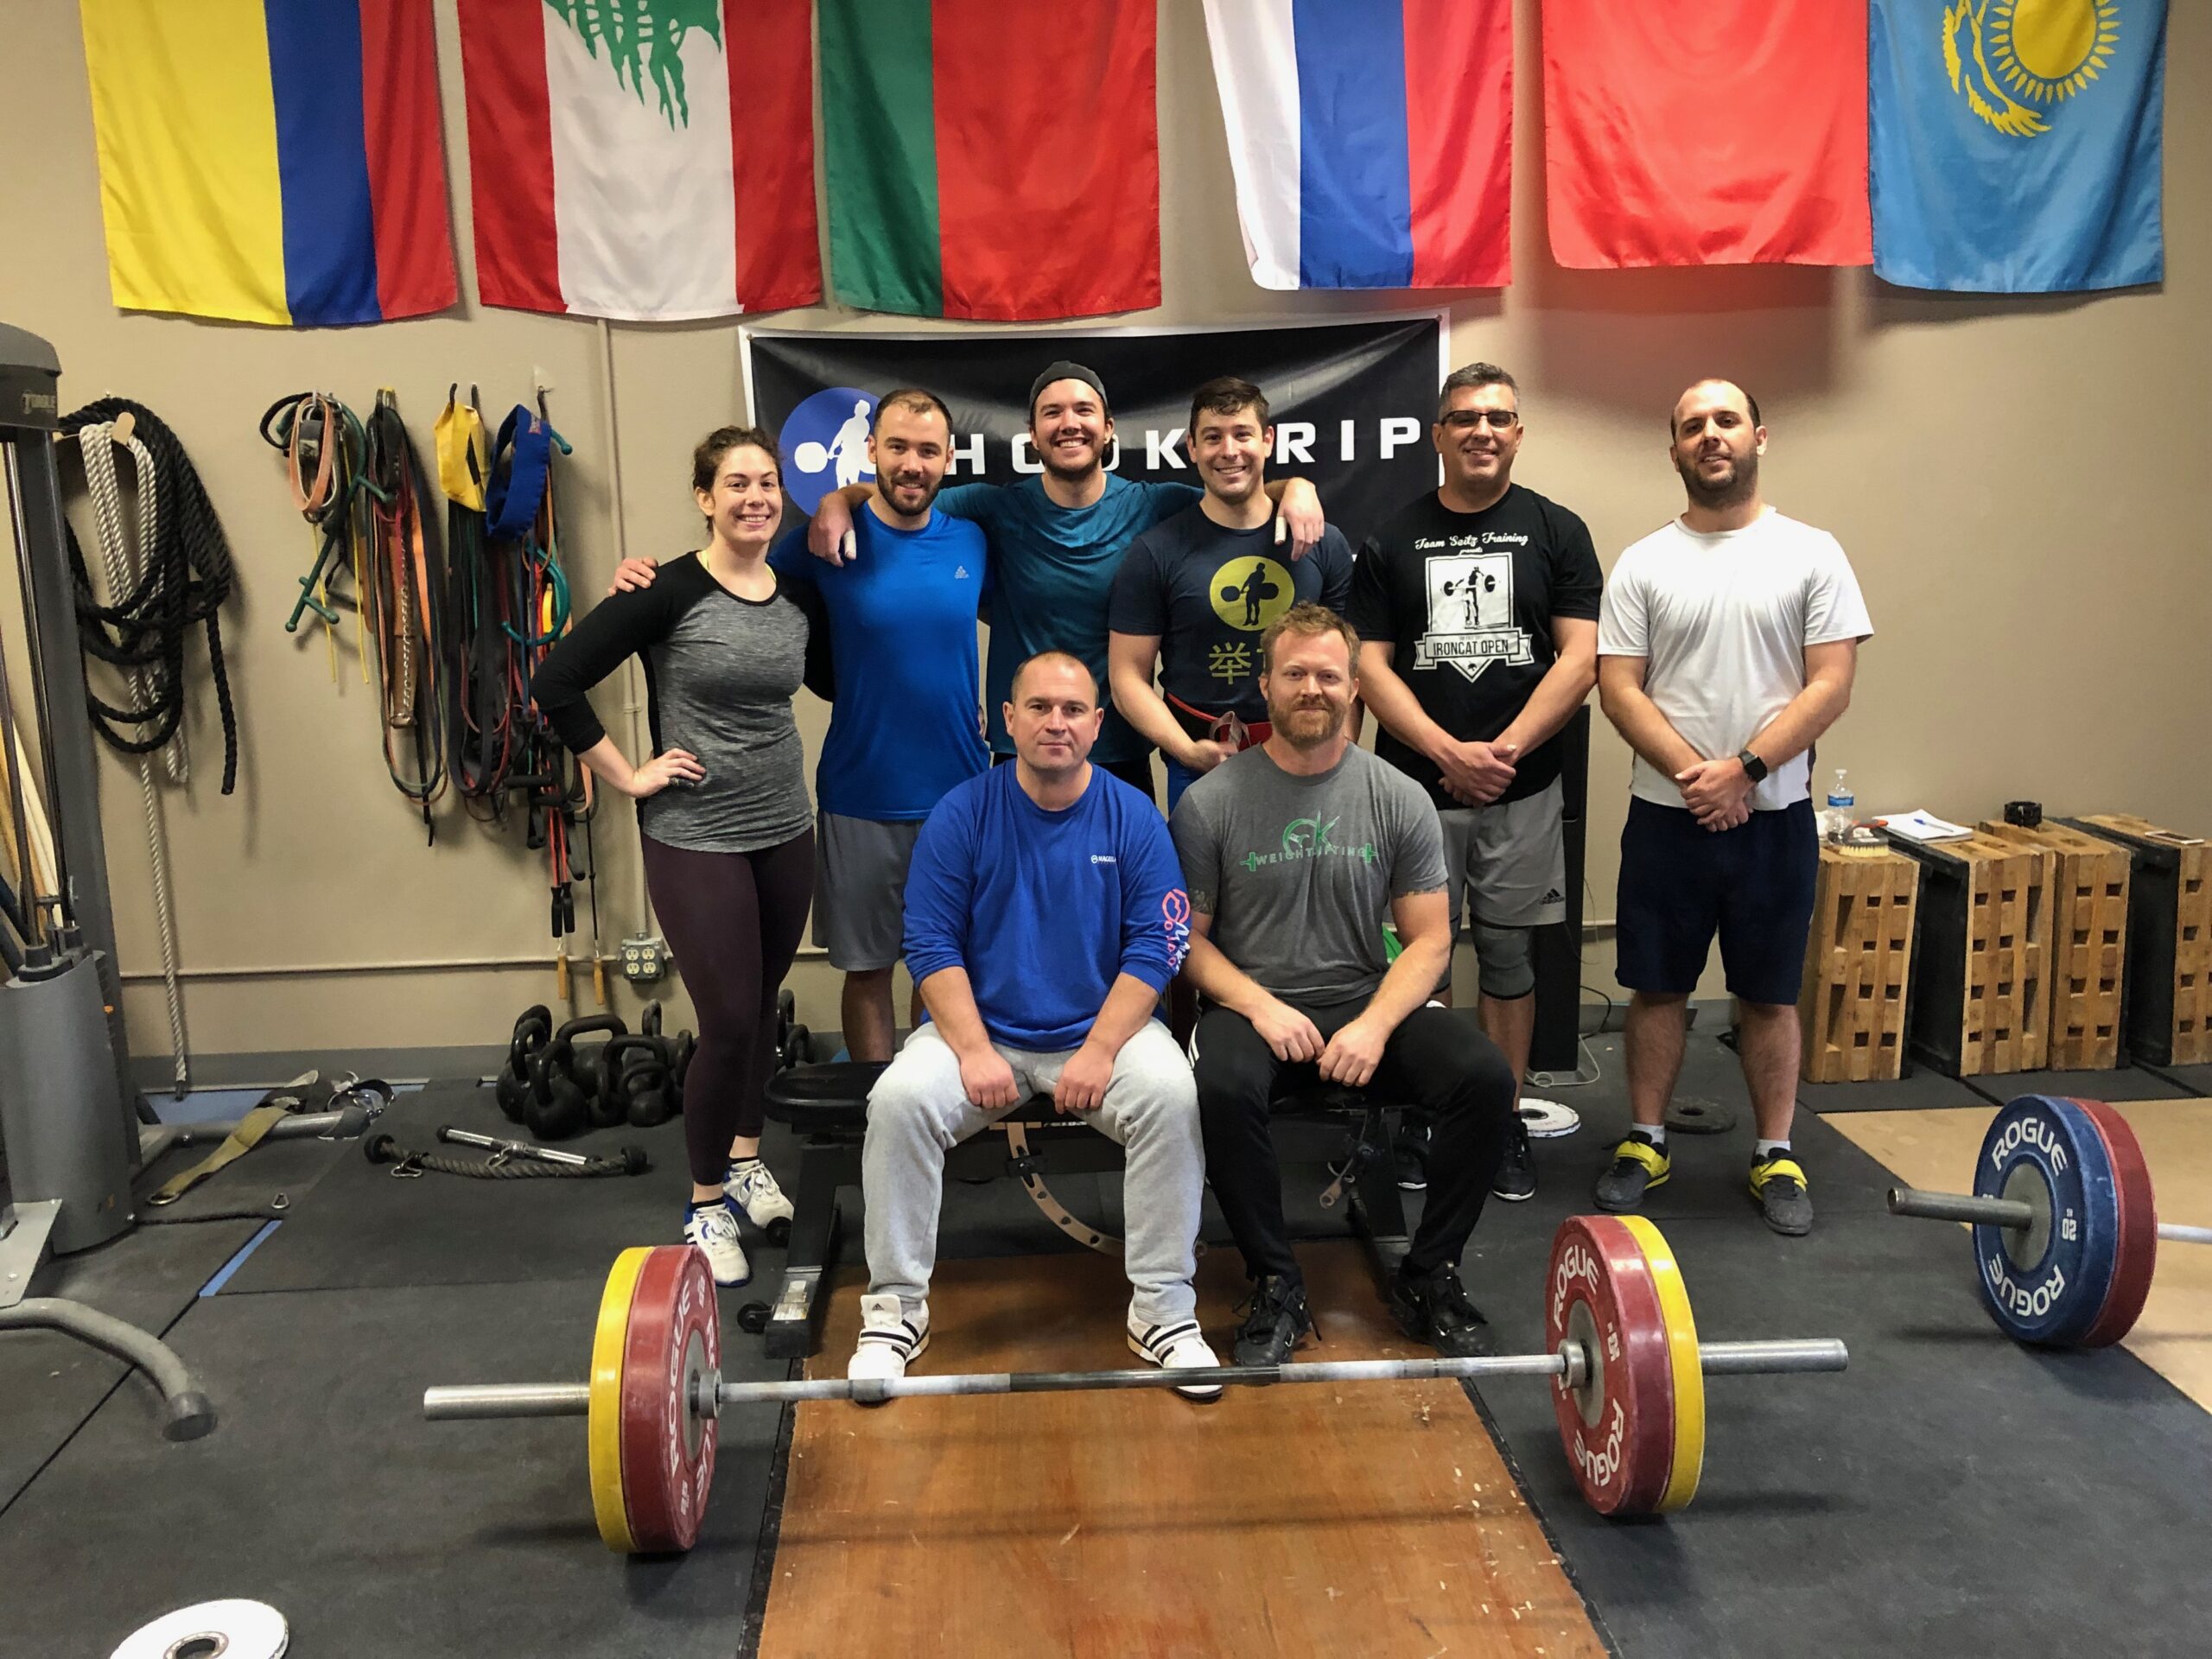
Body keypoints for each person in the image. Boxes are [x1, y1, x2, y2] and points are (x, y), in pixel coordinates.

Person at [848, 651, 1219, 1398]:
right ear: (1007, 719)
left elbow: (1159, 944)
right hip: (980, 1034)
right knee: (896, 1103)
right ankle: (894, 1310)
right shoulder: (963, 813)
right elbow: (929, 942)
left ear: (1098, 724)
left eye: (1074, 710)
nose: (1057, 723)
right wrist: (976, 1050)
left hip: (1099, 1033)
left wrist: (1101, 1049)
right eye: (1040, 708)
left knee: (1173, 1098)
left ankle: (1163, 1309)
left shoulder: (1134, 816)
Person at [1171, 604, 1518, 1363]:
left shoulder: (1398, 796)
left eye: (1328, 675)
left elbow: (1431, 940)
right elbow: (1186, 946)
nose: (1311, 688)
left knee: (1485, 1078)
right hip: (1252, 1001)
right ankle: (1275, 1283)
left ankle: (1429, 1274)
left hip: (1364, 995)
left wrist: (1373, 1026)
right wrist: (1260, 1007)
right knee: (1222, 1086)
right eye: (1294, 673)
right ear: (1264, 685)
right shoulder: (1210, 805)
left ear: (1355, 688)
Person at [618, 391, 989, 1063]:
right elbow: (724, 574)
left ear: (950, 459)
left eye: (928, 451)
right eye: (897, 447)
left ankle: (937, 1107)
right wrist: (645, 584)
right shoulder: (817, 545)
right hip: (861, 794)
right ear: (871, 449)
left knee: (947, 968)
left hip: (964, 794)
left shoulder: (971, 533)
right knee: (870, 969)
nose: (912, 464)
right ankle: (877, 1117)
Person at [531, 426, 818, 1286]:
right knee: (727, 1020)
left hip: (784, 824)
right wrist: (627, 775)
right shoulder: (665, 590)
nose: (755, 497)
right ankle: (702, 1205)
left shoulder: (798, 594)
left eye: (767, 483)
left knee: (763, 1009)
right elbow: (554, 682)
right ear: (705, 497)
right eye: (736, 484)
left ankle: (743, 1159)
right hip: (694, 833)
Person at [1592, 378, 1872, 1236]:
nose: (1709, 435)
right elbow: (1617, 687)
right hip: (1667, 818)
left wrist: (1745, 770)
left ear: (1759, 435)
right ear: (1673, 449)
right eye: (1691, 427)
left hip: (1774, 819)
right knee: (1656, 988)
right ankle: (1644, 1139)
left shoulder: (1812, 552)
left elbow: (1831, 681)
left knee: (1768, 994)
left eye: (1725, 421)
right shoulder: (1644, 561)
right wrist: (1695, 777)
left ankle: (1773, 1151)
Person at [808, 362, 1325, 798]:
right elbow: (902, 501)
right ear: (1033, 435)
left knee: (1119, 910)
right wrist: (838, 501)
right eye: (1052, 413)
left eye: (1084, 411)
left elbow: (1239, 502)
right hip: (1022, 754)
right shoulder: (994, 508)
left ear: (1109, 428)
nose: (1069, 423)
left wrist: (1295, 487)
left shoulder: (1155, 505)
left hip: (1120, 752)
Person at [1349, 364, 1603, 1205]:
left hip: (1522, 788)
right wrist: (1444, 750)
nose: (1480, 430)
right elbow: (1369, 665)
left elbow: (1580, 657)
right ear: (1438, 434)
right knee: (1420, 956)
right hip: (1414, 790)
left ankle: (1496, 1117)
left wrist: (1502, 749)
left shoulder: (1557, 530)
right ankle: (1426, 1116)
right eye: (1462, 418)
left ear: (1517, 433)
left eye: (1497, 418)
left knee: (1504, 950)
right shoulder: (1391, 538)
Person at [1107, 376, 1355, 817]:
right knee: (1204, 888)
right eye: (1212, 437)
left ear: (1268, 441)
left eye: (1242, 434)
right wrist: (1185, 749)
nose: (1229, 451)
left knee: (1309, 885)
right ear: (1191, 448)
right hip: (1201, 763)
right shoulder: (1156, 551)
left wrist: (1343, 745)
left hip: (1309, 756)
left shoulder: (1323, 543)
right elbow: (1127, 675)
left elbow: (1353, 665)